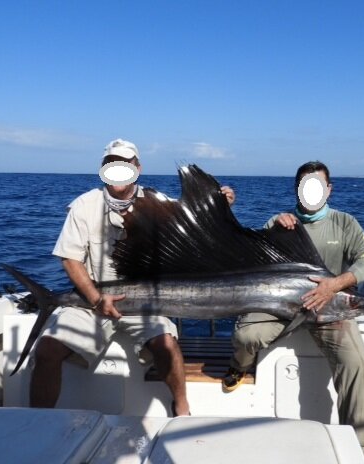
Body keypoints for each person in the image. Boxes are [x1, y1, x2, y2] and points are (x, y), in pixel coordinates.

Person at [30, 138, 235, 417]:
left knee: (167, 346)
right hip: (94, 302)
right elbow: (70, 258)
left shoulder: (159, 205)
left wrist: (219, 206)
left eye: (124, 164)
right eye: (110, 164)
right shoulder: (84, 205)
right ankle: (35, 420)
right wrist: (96, 299)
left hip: (146, 305)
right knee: (46, 351)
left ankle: (182, 409)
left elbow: (196, 229)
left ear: (137, 168)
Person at [222, 161, 364, 462]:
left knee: (356, 365)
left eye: (318, 185)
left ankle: (357, 444)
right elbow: (251, 258)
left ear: (329, 189)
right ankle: (238, 365)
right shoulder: (278, 223)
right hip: (282, 306)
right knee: (246, 335)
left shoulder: (345, 223)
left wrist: (334, 285)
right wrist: (261, 225)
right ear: (296, 190)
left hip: (328, 308)